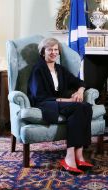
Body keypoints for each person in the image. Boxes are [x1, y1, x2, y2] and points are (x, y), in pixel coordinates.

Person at [27, 38, 93, 173]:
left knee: (86, 106)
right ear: (43, 52)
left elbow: (80, 82)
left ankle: (79, 154)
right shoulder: (38, 69)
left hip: (60, 102)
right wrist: (68, 100)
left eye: (56, 49)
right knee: (78, 106)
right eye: (50, 49)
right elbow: (40, 96)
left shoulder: (60, 69)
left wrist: (80, 91)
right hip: (46, 103)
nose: (53, 52)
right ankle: (69, 156)